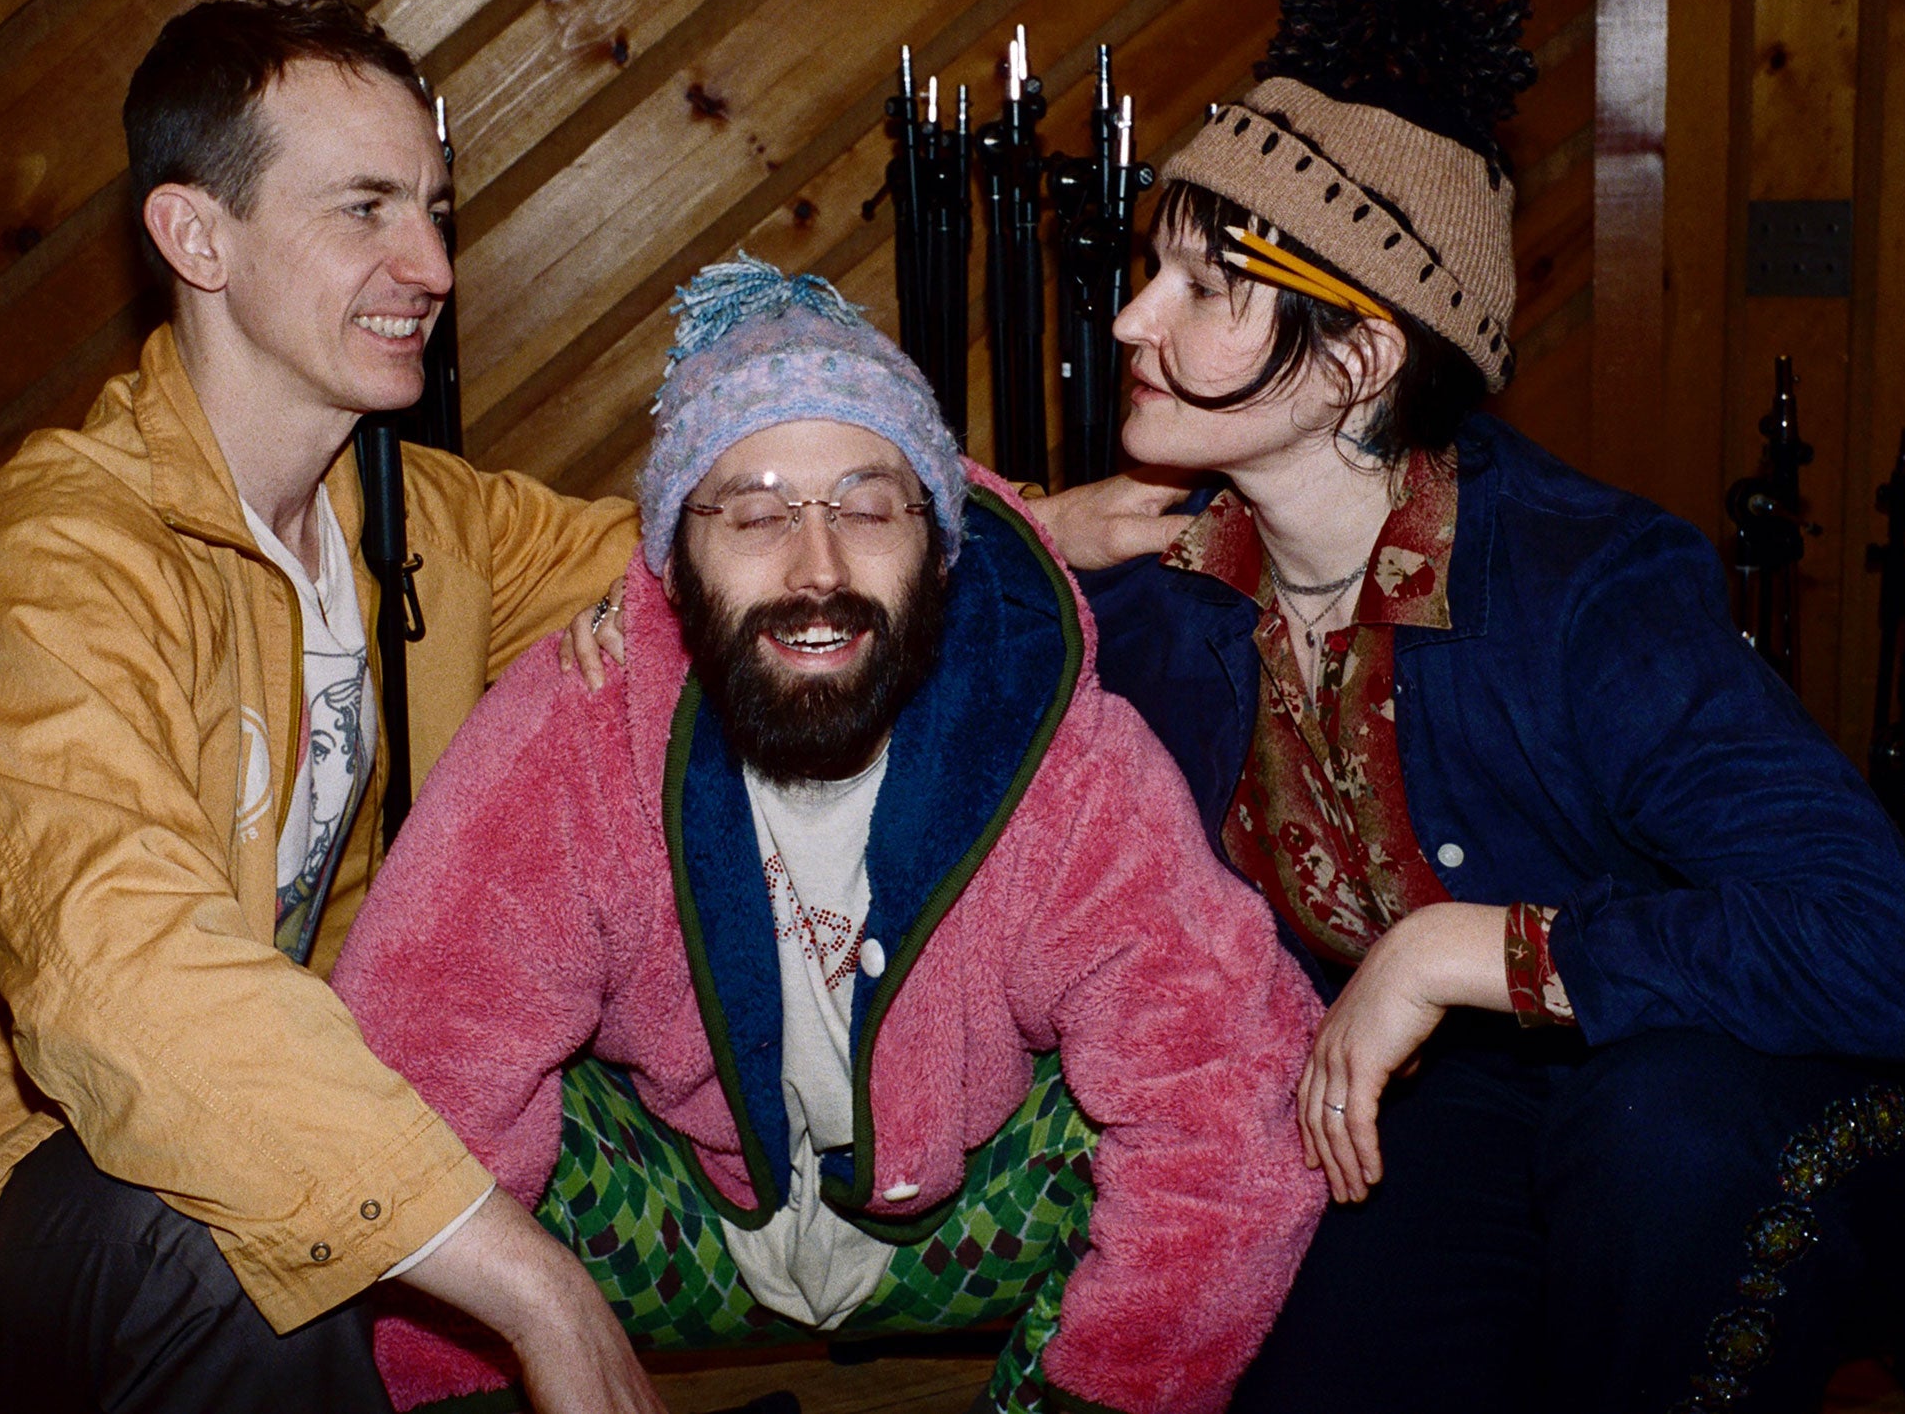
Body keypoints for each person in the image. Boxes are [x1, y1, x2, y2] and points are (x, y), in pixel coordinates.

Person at [1077, 0, 1905, 1412]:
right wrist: (1025, 530)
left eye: (1202, 285)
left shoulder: (1590, 590)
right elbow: (886, 600)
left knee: (1657, 1138)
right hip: (1480, 1097)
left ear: (1357, 360)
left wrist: (1453, 949)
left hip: (1782, 1097)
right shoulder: (1171, 585)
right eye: (1152, 269)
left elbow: (1886, 958)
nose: (1132, 317)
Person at [0, 0, 666, 1412]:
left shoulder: (418, 518)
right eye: (364, 209)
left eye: (433, 210)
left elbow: (733, 548)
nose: (430, 265)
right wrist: (537, 1290)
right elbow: (123, 975)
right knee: (233, 1247)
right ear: (195, 237)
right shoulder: (61, 553)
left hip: (198, 1161)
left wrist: (971, 510)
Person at [332, 256, 1327, 1413]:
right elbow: (416, 1064)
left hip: (958, 1216)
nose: (817, 569)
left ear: (940, 548)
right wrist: (462, 1385)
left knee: (1222, 1109)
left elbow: (1221, 1101)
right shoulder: (575, 728)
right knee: (438, 1130)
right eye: (754, 515)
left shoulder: (1060, 754)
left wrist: (1106, 1395)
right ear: (671, 563)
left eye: (866, 509)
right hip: (679, 1212)